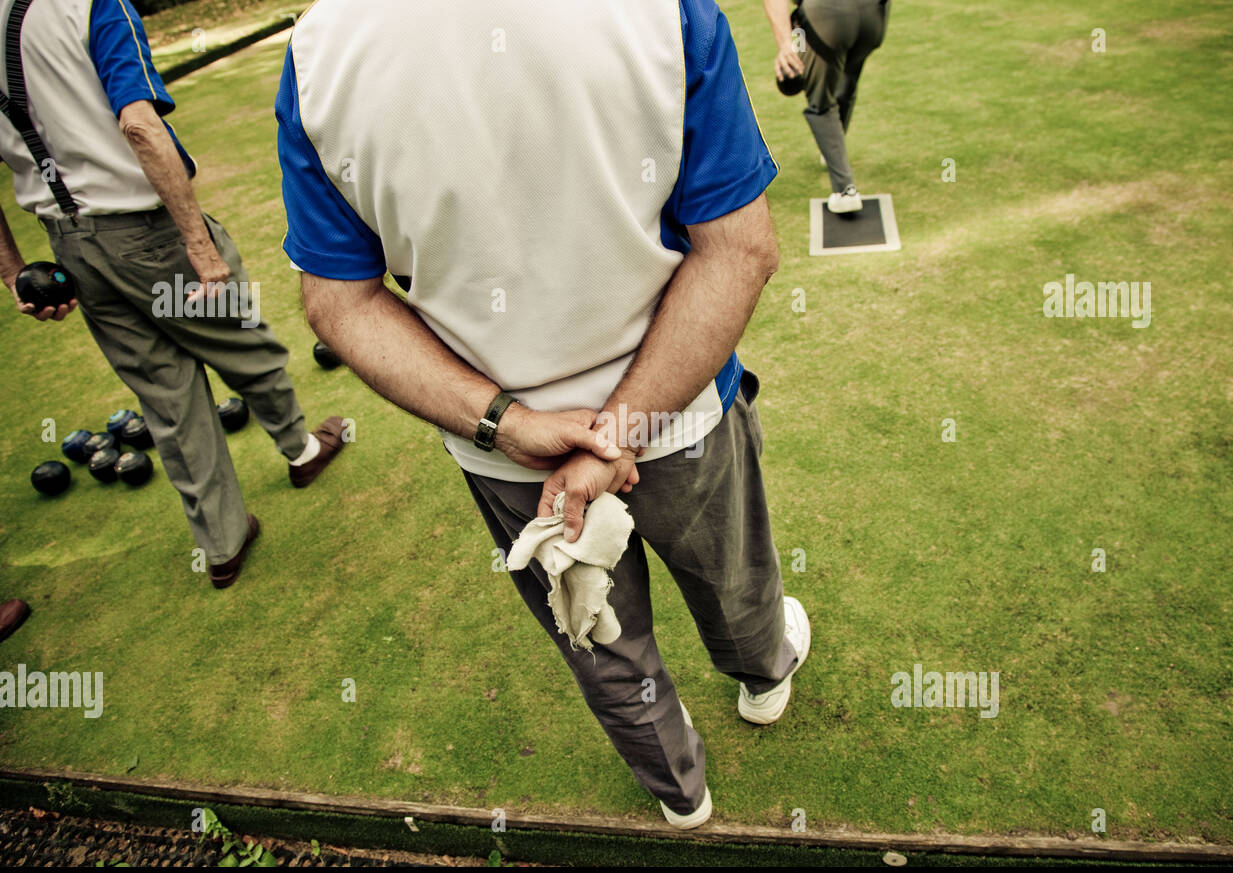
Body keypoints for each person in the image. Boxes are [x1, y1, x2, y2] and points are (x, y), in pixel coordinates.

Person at [278, 0, 811, 828]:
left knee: (600, 636)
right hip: (676, 414)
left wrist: (510, 426)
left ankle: (682, 795)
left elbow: (340, 305)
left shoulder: (318, 52)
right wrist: (616, 434)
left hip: (508, 454)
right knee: (728, 578)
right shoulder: (665, 11)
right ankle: (765, 680)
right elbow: (739, 248)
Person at [0, 0, 346, 588]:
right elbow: (138, 124)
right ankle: (302, 452)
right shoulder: (90, 5)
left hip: (68, 246)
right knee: (243, 342)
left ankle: (222, 544)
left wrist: (13, 275)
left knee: (165, 392)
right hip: (147, 231)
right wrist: (200, 246)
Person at [764, 0, 890, 212]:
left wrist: (786, 45)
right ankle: (832, 150)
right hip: (874, 18)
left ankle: (845, 191)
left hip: (829, 17)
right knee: (847, 77)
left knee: (820, 102)